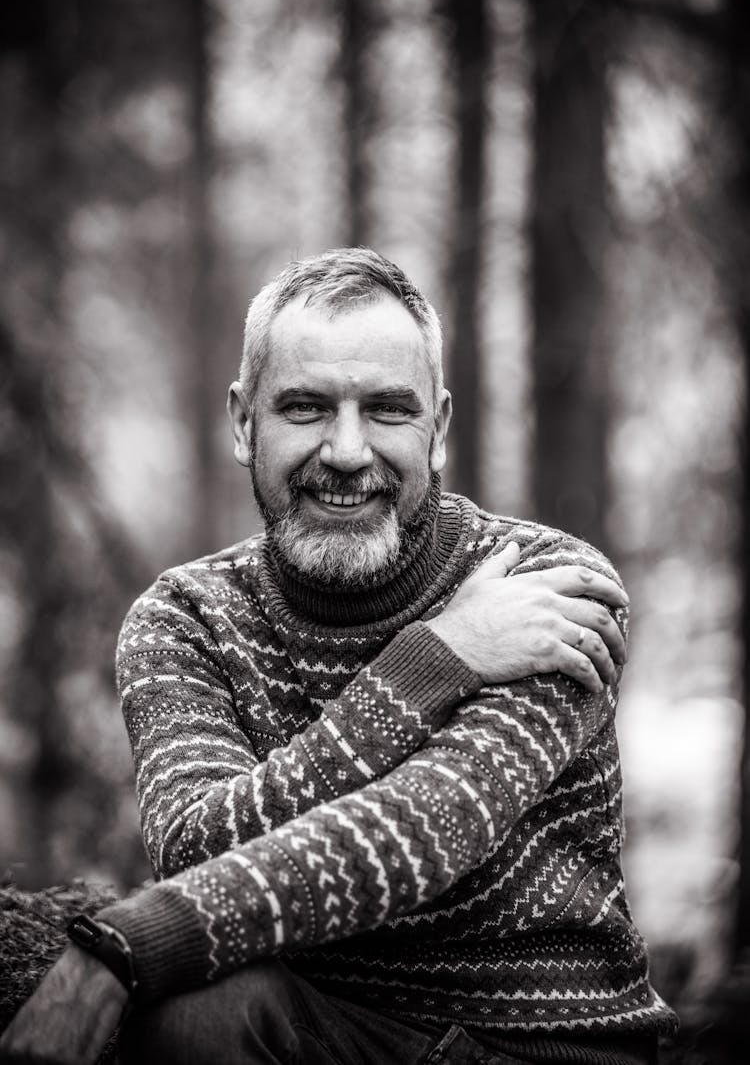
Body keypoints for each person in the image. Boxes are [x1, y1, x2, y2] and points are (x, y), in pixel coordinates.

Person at [0, 248, 676, 1065]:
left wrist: (124, 944)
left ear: (440, 430)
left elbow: (430, 826)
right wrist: (435, 659)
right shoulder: (187, 618)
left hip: (544, 1047)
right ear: (245, 423)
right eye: (306, 407)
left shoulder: (546, 586)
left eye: (388, 409)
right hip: (330, 1029)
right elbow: (198, 850)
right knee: (196, 1021)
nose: (348, 451)